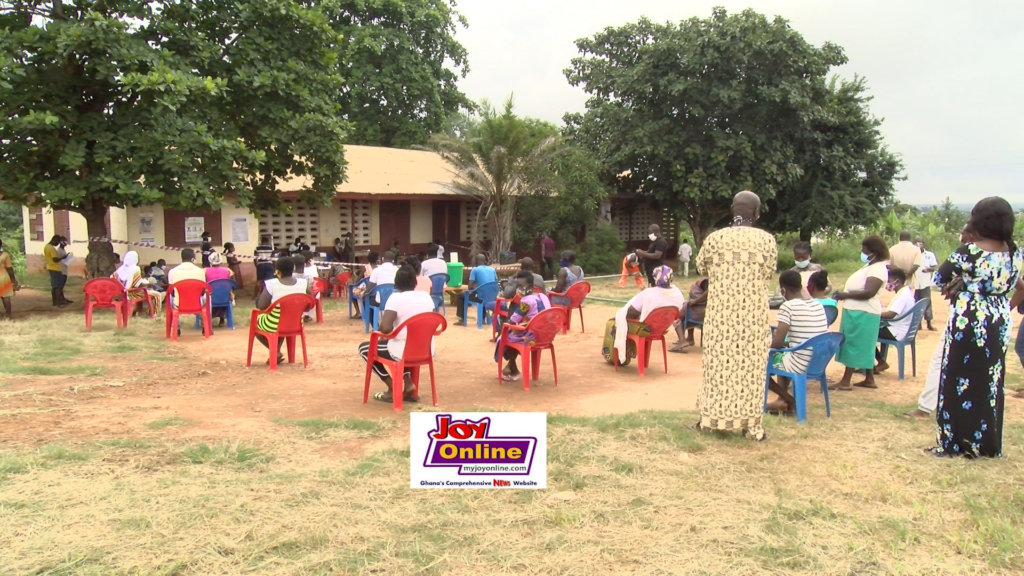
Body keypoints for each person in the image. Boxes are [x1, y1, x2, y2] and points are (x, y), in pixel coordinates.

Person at [930, 197, 1021, 458]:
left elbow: (939, 279)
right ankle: (987, 444)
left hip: (968, 320)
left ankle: (954, 443)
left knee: (956, 379)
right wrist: (1003, 304)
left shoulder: (968, 251)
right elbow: (1019, 285)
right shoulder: (1015, 251)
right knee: (990, 380)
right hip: (999, 319)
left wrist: (962, 283)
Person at [693, 191, 777, 441]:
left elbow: (702, 268)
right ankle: (752, 427)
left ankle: (709, 420)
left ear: (732, 210)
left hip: (720, 316)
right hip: (753, 317)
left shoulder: (714, 239)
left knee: (717, 368)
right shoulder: (767, 240)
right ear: (757, 213)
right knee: (751, 370)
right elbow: (768, 272)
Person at [905, 225, 977, 420]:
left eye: (963, 232)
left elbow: (938, 278)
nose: (961, 236)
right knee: (976, 365)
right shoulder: (1007, 252)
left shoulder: (966, 253)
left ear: (972, 234)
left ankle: (925, 408)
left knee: (940, 360)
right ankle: (966, 409)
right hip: (992, 319)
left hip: (963, 316)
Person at [359, 264, 436, 403]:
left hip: (402, 349)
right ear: (415, 282)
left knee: (364, 349)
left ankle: (392, 387)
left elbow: (385, 328)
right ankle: (408, 383)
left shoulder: (395, 298)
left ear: (396, 283)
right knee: (399, 343)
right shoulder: (426, 296)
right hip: (427, 349)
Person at [830, 235, 890, 391]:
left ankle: (845, 380)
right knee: (865, 344)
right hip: (857, 310)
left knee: (854, 344)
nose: (862, 252)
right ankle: (869, 378)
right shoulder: (871, 266)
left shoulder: (878, 269)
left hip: (863, 312)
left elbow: (869, 292)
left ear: (874, 251)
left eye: (865, 249)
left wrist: (845, 295)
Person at [766, 271, 829, 414]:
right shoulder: (818, 305)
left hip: (799, 363)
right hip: (818, 362)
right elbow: (808, 337)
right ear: (801, 286)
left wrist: (761, 347)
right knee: (782, 355)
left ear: (783, 290)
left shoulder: (788, 307)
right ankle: (783, 400)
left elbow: (777, 343)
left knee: (759, 366)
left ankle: (789, 399)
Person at [602, 265, 684, 366]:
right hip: (661, 330)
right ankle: (628, 354)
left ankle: (615, 358)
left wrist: (642, 299)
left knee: (613, 323)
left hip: (645, 329)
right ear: (671, 279)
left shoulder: (649, 293)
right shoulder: (677, 293)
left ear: (655, 278)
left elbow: (631, 313)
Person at [254, 256, 312, 365]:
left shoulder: (272, 284)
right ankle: (277, 351)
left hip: (275, 323)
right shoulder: (303, 283)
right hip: (296, 323)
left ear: (277, 271)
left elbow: (261, 306)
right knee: (281, 322)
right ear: (293, 269)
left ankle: (275, 351)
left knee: (256, 324)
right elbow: (310, 303)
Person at [498, 271, 553, 381]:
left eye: (521, 286)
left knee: (504, 336)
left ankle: (512, 367)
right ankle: (511, 367)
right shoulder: (543, 296)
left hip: (533, 338)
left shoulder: (526, 301)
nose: (518, 289)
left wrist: (504, 323)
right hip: (547, 336)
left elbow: (512, 321)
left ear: (531, 286)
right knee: (514, 334)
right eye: (517, 286)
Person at [872, 268, 916, 376]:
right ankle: (873, 363)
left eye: (889, 280)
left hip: (897, 331)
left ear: (897, 281)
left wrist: (873, 313)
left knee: (865, 333)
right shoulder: (905, 292)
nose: (887, 283)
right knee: (872, 329)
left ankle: (878, 362)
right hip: (902, 329)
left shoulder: (902, 295)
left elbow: (891, 315)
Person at [455, 254, 498, 326]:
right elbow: (495, 283)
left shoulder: (475, 270)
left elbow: (470, 287)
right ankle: (482, 319)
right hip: (492, 297)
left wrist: (475, 289)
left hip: (480, 297)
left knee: (460, 295)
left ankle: (462, 319)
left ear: (476, 262)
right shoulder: (492, 269)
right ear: (485, 261)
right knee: (483, 293)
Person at [670, 276, 708, 353]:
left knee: (678, 318)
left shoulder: (705, 280)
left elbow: (709, 291)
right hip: (701, 311)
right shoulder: (708, 279)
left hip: (698, 312)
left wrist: (695, 301)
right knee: (687, 310)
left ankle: (682, 340)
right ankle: (690, 338)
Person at [113, 251, 154, 316]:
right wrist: (148, 285)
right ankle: (152, 313)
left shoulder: (119, 270)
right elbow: (137, 284)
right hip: (132, 293)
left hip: (119, 294)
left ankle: (138, 311)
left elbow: (112, 280)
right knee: (157, 295)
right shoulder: (136, 268)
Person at [888, 230, 922, 299]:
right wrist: (907, 275)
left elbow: (888, 265)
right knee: (908, 298)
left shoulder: (892, 249)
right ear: (910, 238)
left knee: (897, 298)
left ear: (899, 238)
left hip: (896, 280)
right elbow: (916, 265)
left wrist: (899, 273)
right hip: (909, 279)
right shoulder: (916, 250)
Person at [914, 236, 938, 331]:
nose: (918, 245)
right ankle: (917, 324)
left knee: (927, 303)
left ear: (923, 244)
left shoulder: (929, 255)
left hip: (925, 282)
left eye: (920, 243)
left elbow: (934, 267)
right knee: (915, 304)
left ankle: (929, 323)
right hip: (915, 283)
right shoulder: (913, 255)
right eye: (916, 243)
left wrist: (928, 269)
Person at [205, 252, 235, 326]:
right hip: (225, 298)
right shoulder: (228, 270)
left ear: (210, 261)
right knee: (224, 293)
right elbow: (233, 283)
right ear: (221, 261)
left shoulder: (204, 271)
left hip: (210, 298)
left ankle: (207, 319)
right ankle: (222, 319)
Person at [43, 235, 69, 307]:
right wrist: (63, 257)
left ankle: (55, 302)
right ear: (55, 240)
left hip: (51, 267)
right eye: (57, 242)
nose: (57, 244)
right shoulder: (51, 248)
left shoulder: (46, 247)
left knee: (54, 286)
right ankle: (57, 302)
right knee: (58, 286)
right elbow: (55, 259)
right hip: (55, 268)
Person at [0, 238, 21, 320]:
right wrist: (13, 279)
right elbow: (9, 268)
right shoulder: (5, 255)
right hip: (3, 277)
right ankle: (8, 315)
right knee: (5, 297)